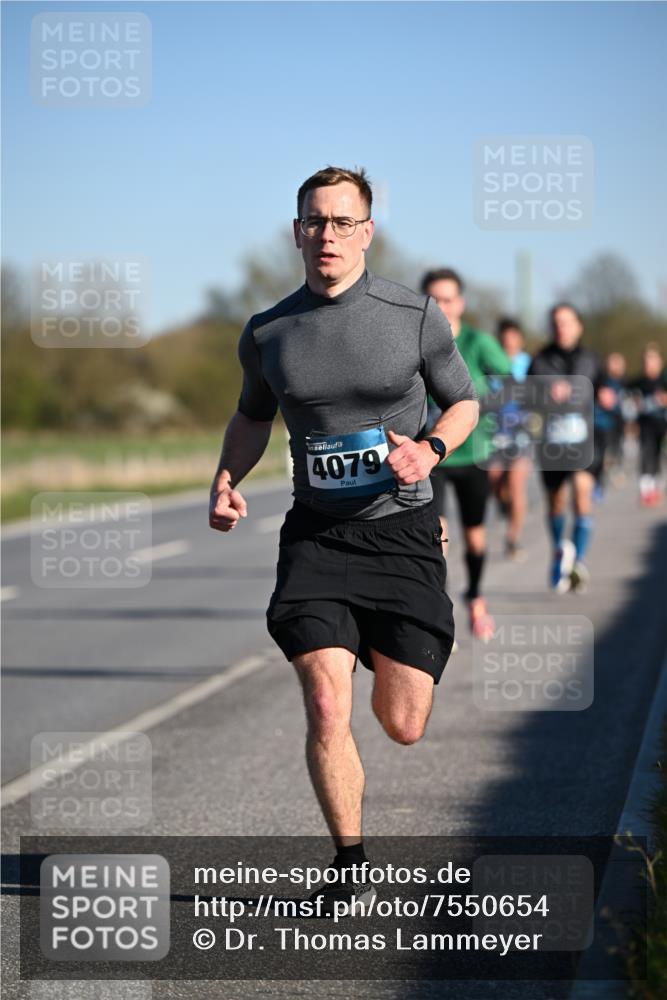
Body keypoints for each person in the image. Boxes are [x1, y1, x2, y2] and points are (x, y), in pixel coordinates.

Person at [209, 166, 479, 912]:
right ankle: (349, 860)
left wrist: (429, 449)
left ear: (366, 231)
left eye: (341, 221)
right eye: (313, 221)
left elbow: (464, 403)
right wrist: (225, 478)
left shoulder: (414, 315)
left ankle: (386, 636)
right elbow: (251, 416)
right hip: (317, 538)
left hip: (402, 534)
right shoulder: (268, 330)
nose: (326, 234)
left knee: (402, 725)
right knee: (326, 704)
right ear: (296, 231)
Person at [420, 269, 512, 642]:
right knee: (435, 534)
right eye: (433, 299)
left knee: (475, 538)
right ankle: (438, 612)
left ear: (460, 303)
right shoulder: (415, 338)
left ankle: (475, 596)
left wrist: (485, 409)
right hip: (431, 454)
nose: (441, 306)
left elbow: (508, 379)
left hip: (473, 453)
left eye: (447, 299)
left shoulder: (478, 342)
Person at [529, 303, 610, 593]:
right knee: (557, 503)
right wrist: (545, 396)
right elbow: (526, 400)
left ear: (578, 326)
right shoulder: (539, 362)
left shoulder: (592, 360)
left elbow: (604, 389)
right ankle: (559, 551)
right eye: (556, 323)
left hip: (584, 442)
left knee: (582, 494)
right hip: (551, 444)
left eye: (567, 322)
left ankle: (579, 560)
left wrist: (606, 395)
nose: (561, 328)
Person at [487, 317, 532, 560]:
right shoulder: (491, 363)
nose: (509, 342)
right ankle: (506, 506)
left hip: (521, 432)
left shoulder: (529, 363)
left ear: (520, 339)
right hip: (495, 432)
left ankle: (513, 538)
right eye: (505, 339)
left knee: (516, 484)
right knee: (494, 480)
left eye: (514, 337)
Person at [628, 343, 667, 506]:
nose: (649, 364)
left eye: (652, 360)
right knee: (646, 455)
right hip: (644, 426)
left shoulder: (664, 380)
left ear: (659, 362)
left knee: (659, 457)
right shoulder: (637, 382)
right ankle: (646, 491)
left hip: (663, 425)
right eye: (646, 361)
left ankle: (657, 489)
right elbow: (626, 402)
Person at [591, 351, 627, 498]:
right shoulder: (601, 381)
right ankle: (597, 483)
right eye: (612, 362)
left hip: (616, 425)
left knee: (613, 452)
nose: (615, 366)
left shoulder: (625, 383)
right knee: (598, 457)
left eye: (618, 362)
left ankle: (614, 468)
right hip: (599, 424)